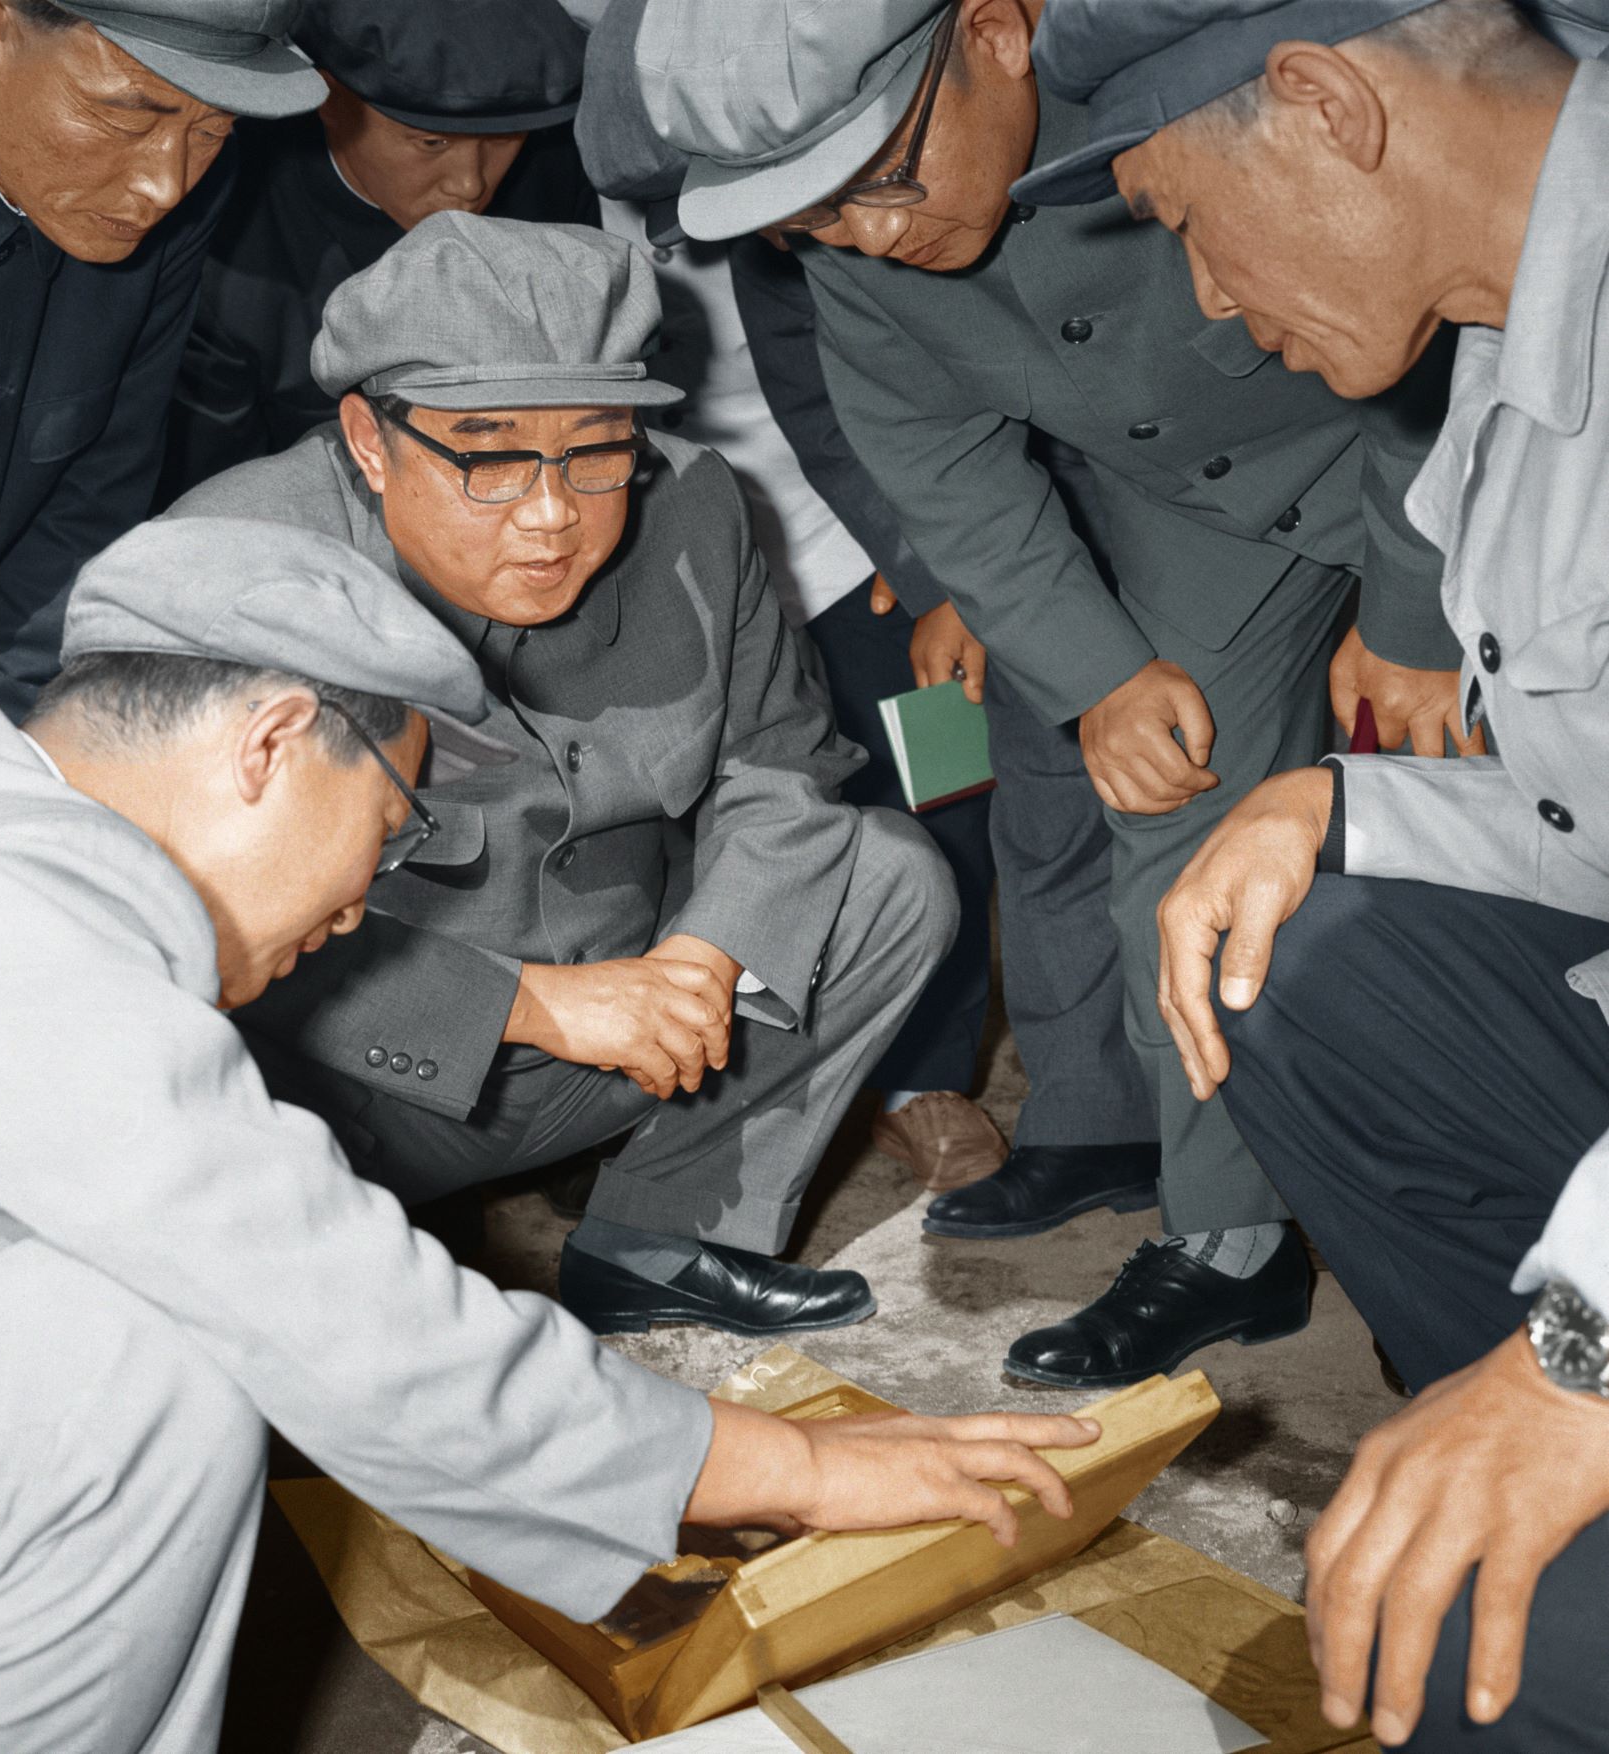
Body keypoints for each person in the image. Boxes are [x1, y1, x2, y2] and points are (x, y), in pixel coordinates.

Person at [0, 515, 1101, 1753]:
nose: (360, 903)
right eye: (388, 827)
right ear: (271, 744)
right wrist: (793, 1468)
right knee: (135, 1348)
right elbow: (324, 1302)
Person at [602, 0, 1466, 1389]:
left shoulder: (1198, 79)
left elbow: (1446, 318)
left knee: (1530, 824)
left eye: (880, 179)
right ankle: (1232, 1240)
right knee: (1174, 844)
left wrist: (1415, 610)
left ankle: (1525, 1264)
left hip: (1451, 455)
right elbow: (942, 465)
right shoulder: (859, 242)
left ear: (998, 32)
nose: (865, 235)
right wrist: (1102, 674)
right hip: (1205, 520)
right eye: (810, 221)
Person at [1022, 0, 1609, 1747]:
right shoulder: (1513, 331)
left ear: (1325, 103)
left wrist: (1580, 1357)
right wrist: (1335, 801)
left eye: (1189, 220)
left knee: (1460, 1633)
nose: (1205, 296)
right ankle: (1500, 1444)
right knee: (1295, 936)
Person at [171, 213, 959, 1339]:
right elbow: (194, 927)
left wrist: (700, 961)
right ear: (369, 441)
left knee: (885, 877)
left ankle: (661, 1236)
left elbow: (782, 760)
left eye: (597, 451)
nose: (552, 516)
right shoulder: (234, 570)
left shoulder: (694, 502)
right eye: (489, 458)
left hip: (642, 1032)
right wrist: (538, 1006)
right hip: (354, 1095)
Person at [592, 191, 1010, 1192]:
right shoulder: (541, 175)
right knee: (659, 828)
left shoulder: (806, 188)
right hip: (642, 560)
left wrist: (928, 558)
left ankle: (924, 1076)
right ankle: (642, 1094)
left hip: (849, 543)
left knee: (943, 796)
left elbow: (936, 370)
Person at [0, 0, 328, 769]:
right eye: (125, 116)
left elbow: (91, 502)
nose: (165, 185)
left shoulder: (171, 198)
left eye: (214, 131)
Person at [159, 0, 602, 500]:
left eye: (504, 139)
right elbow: (223, 497)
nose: (470, 183)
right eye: (432, 143)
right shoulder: (224, 243)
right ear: (331, 101)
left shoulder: (554, 173)